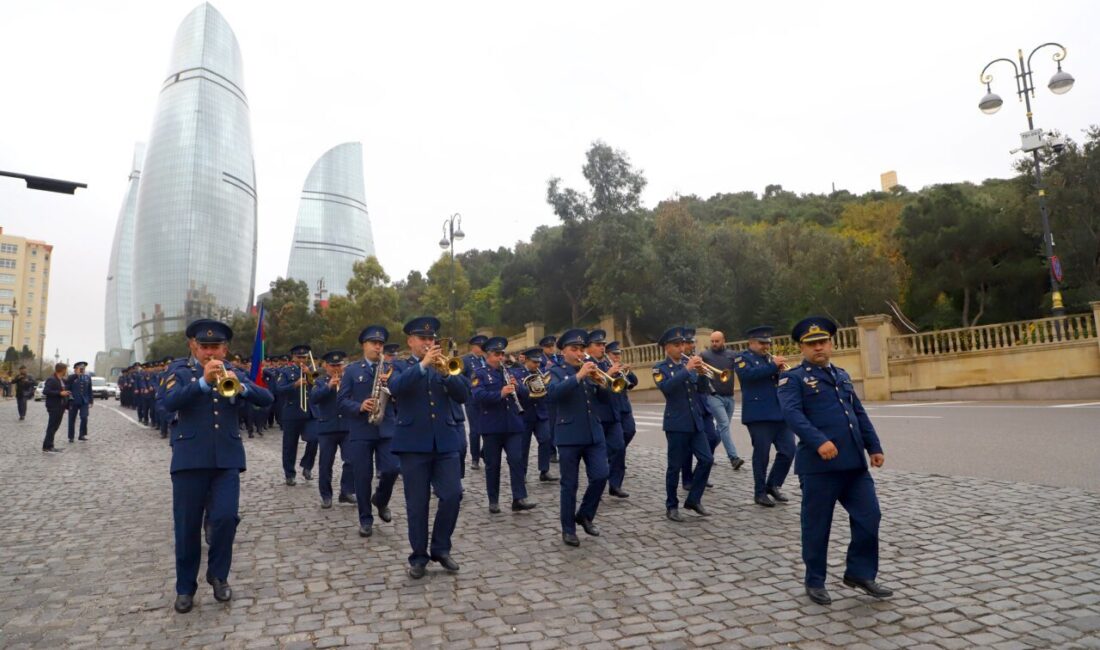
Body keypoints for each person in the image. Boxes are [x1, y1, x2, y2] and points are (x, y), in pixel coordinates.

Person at [778, 316, 891, 605]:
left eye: (823, 342)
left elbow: (858, 413)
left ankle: (860, 573)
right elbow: (793, 415)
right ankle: (815, 580)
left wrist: (873, 446)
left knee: (870, 517)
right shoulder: (793, 379)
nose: (818, 348)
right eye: (811, 344)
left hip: (853, 465)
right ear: (802, 348)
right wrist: (818, 441)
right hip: (818, 468)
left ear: (831, 343)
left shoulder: (841, 375)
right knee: (817, 525)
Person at [163, 319, 273, 613]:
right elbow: (168, 402)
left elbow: (267, 398)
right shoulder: (180, 372)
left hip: (226, 459)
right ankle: (185, 587)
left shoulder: (233, 373)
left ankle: (219, 575)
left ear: (225, 349)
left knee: (225, 519)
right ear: (194, 347)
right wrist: (202, 383)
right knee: (187, 527)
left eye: (217, 347)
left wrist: (242, 388)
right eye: (205, 347)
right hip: (189, 460)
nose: (211, 353)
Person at [386, 316, 467, 578]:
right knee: (417, 504)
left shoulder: (445, 367)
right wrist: (422, 365)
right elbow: (396, 388)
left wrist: (447, 375)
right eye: (423, 339)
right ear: (411, 341)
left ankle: (441, 548)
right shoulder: (399, 366)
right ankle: (418, 556)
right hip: (413, 444)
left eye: (432, 339)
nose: (429, 343)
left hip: (445, 441)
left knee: (453, 494)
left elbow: (464, 394)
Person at [546, 328, 611, 547]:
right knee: (569, 484)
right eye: (574, 349)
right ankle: (568, 529)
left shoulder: (591, 369)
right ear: (564, 351)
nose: (579, 353)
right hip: (569, 435)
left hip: (594, 433)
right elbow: (553, 394)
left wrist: (604, 384)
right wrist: (579, 376)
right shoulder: (555, 371)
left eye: (581, 349)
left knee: (601, 475)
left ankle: (584, 514)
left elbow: (603, 398)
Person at [339, 326, 402, 538]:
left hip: (386, 428)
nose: (378, 347)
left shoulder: (392, 368)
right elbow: (341, 401)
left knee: (393, 468)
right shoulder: (351, 371)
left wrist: (392, 387)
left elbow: (403, 396)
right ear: (364, 345)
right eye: (374, 343)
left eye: (380, 344)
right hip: (361, 429)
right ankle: (365, 519)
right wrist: (359, 406)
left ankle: (381, 500)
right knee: (362, 477)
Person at [654, 327, 713, 522]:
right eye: (677, 345)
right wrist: (687, 370)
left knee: (706, 459)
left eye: (682, 344)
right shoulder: (660, 368)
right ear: (666, 348)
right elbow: (667, 388)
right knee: (675, 466)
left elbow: (703, 390)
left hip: (695, 421)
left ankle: (694, 499)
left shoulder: (688, 363)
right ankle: (671, 506)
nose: (682, 348)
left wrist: (703, 373)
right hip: (676, 423)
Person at [473, 337, 536, 514]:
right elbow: (478, 396)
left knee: (516, 460)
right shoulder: (479, 373)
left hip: (513, 424)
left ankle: (519, 498)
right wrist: (500, 393)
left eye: (502, 354)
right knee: (493, 464)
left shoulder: (511, 372)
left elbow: (526, 395)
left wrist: (518, 388)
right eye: (497, 354)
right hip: (492, 425)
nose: (501, 357)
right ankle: (493, 500)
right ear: (488, 355)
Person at [734, 326, 796, 507]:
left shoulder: (770, 360)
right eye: (762, 343)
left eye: (768, 343)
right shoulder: (742, 359)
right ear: (751, 343)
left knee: (789, 450)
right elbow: (749, 376)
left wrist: (784, 374)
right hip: (758, 415)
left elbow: (777, 381)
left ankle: (773, 484)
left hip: (779, 412)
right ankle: (759, 492)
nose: (765, 346)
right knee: (762, 455)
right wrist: (773, 366)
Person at [311, 350, 356, 509]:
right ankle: (326, 495)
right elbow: (314, 398)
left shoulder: (349, 380)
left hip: (346, 426)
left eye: (339, 365)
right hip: (327, 428)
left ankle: (346, 491)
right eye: (333, 365)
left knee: (351, 460)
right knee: (325, 464)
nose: (336, 368)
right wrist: (329, 386)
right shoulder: (320, 381)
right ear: (326, 366)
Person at [700, 330, 745, 470]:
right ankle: (733, 458)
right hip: (714, 396)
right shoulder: (705, 355)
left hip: (729, 397)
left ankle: (708, 454)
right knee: (724, 425)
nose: (714, 343)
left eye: (717, 341)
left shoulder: (732, 355)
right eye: (712, 341)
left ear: (723, 340)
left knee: (720, 429)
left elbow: (743, 370)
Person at [275, 345, 318, 486]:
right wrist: (294, 384)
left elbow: (318, 387)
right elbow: (279, 389)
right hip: (292, 412)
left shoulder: (310, 371)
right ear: (293, 358)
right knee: (290, 445)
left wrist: (309, 375)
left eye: (304, 357)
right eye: (299, 357)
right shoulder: (286, 372)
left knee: (314, 439)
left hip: (309, 412)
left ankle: (307, 466)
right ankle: (289, 474)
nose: (302, 360)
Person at [515, 347, 557, 483]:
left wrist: (548, 386)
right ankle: (522, 473)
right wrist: (528, 388)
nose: (537, 365)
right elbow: (519, 393)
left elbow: (549, 393)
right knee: (523, 446)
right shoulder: (516, 373)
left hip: (541, 413)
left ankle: (544, 470)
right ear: (526, 361)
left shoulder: (542, 373)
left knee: (546, 439)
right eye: (534, 362)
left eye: (539, 362)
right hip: (524, 415)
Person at [604, 341, 638, 497]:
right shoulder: (604, 366)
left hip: (624, 407)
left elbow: (632, 384)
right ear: (607, 354)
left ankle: (612, 458)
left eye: (619, 354)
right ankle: (615, 484)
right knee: (617, 447)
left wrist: (628, 372)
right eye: (614, 354)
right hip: (611, 408)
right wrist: (611, 372)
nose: (617, 356)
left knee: (630, 431)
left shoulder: (620, 367)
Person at [461, 335, 488, 470]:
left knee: (489, 428)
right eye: (479, 346)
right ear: (473, 346)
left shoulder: (486, 359)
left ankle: (484, 452)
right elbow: (459, 376)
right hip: (472, 399)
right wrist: (471, 385)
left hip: (486, 398)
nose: (482, 349)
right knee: (475, 430)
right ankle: (475, 458)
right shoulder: (466, 360)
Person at [41, 363, 70, 452]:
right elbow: (45, 391)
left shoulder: (61, 380)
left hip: (60, 406)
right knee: (52, 426)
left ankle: (49, 445)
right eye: (66, 369)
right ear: (62, 370)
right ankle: (47, 446)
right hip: (54, 406)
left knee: (55, 427)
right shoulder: (51, 379)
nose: (66, 371)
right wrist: (59, 393)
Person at [65, 361, 94, 442]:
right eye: (80, 368)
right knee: (72, 419)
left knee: (84, 417)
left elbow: (89, 390)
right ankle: (71, 437)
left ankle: (82, 435)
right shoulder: (71, 377)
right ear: (76, 369)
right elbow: (66, 388)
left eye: (83, 368)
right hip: (73, 400)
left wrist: (91, 400)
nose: (82, 370)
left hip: (84, 401)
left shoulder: (87, 377)